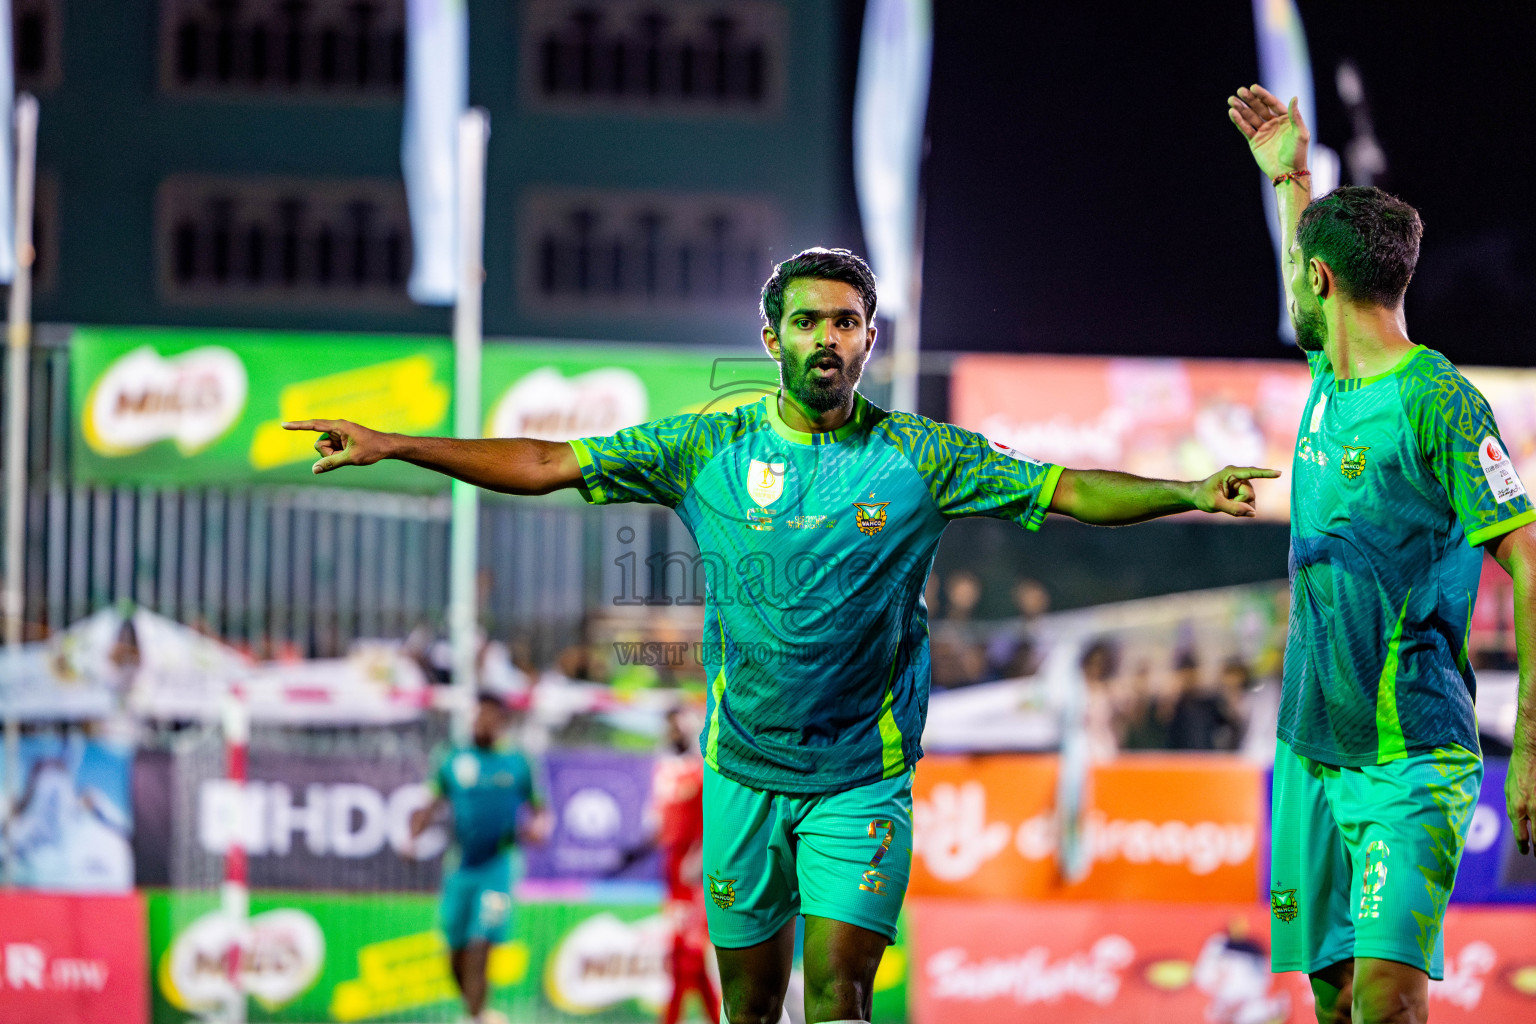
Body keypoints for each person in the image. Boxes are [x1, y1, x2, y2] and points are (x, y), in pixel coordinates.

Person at [286, 246, 1278, 1024]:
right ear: (771, 338)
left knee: (841, 992)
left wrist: (1187, 488)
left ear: (870, 339)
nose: (827, 340)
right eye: (807, 321)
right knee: (751, 1005)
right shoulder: (705, 444)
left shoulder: (922, 456)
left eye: (846, 322)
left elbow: (1064, 488)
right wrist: (400, 444)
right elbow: (549, 462)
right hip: (742, 775)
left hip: (863, 776)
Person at [1228, 84, 1536, 1024]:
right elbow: (1302, 270)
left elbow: (1531, 560)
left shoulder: (1437, 398)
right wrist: (1291, 178)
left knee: (1385, 1004)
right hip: (1308, 752)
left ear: (1321, 283)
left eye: (1302, 275)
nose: (1295, 288)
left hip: (1410, 758)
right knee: (1330, 1001)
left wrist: (1529, 748)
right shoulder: (1330, 368)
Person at [409, 693, 546, 1024]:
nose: (482, 722)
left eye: (489, 716)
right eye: (477, 715)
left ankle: (475, 1018)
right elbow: (431, 803)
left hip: (500, 866)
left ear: (502, 722)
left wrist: (538, 827)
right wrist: (411, 838)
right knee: (455, 951)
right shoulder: (451, 758)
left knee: (482, 941)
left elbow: (540, 810)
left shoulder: (518, 762)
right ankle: (478, 1013)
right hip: (460, 867)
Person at [651, 706, 720, 1024]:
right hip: (673, 875)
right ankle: (715, 1015)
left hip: (696, 873)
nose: (674, 732)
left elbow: (715, 820)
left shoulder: (705, 768)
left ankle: (673, 1017)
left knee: (688, 954)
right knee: (683, 954)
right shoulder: (664, 770)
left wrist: (701, 857)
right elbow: (658, 825)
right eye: (670, 726)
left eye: (679, 725)